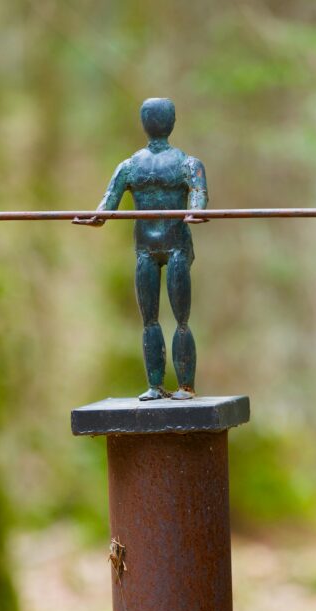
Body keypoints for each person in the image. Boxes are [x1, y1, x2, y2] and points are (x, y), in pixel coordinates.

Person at [75, 98, 208, 400]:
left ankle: (185, 384)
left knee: (175, 318)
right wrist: (89, 218)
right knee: (155, 319)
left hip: (174, 247)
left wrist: (195, 212)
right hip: (148, 249)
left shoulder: (177, 164)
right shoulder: (138, 166)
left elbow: (199, 199)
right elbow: (105, 209)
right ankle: (156, 385)